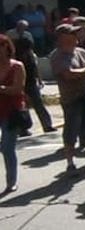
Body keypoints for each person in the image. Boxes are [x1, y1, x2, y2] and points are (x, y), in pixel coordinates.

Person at [50, 24, 85, 173]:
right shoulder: (57, 56)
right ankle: (70, 163)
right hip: (72, 99)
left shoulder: (80, 51)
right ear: (61, 38)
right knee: (71, 131)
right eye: (71, 34)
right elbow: (69, 74)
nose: (75, 37)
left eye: (75, 34)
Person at [0, 35, 25, 192]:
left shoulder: (17, 66)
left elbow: (17, 89)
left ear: (6, 47)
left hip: (11, 112)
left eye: (1, 46)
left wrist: (1, 89)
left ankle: (11, 181)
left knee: (8, 148)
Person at [15, 38, 52, 134]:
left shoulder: (31, 55)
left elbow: (35, 68)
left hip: (32, 83)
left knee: (39, 104)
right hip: (21, 83)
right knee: (23, 107)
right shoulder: (16, 58)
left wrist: (39, 79)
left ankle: (47, 125)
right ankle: (23, 128)